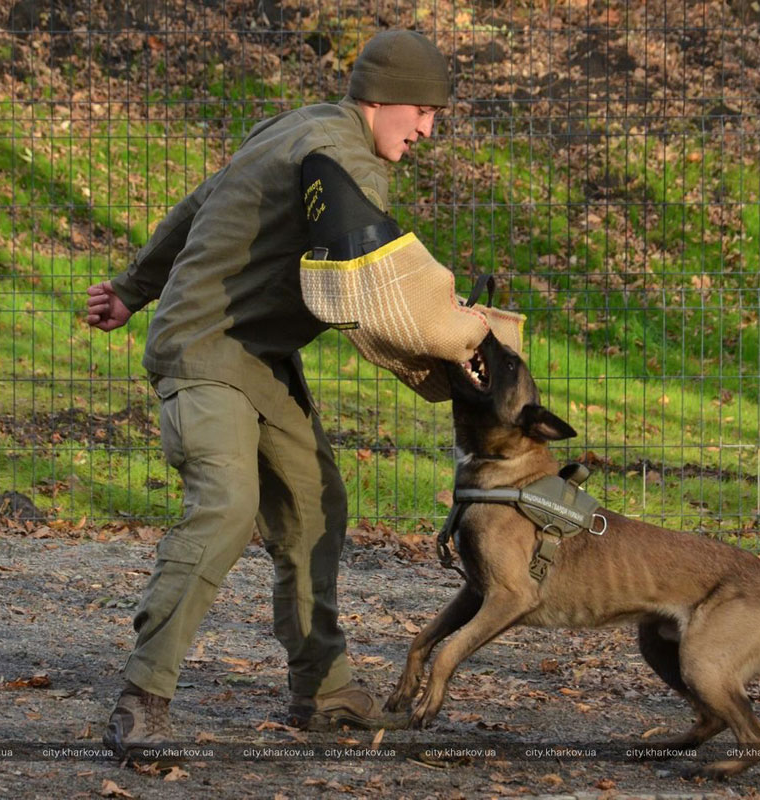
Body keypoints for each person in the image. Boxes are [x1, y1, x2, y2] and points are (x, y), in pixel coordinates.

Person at [85, 30, 477, 758]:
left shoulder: (298, 125)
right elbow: (375, 288)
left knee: (313, 504)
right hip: (205, 348)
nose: (428, 128)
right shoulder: (342, 156)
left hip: (262, 356)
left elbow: (200, 197)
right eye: (422, 110)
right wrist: (456, 344)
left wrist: (133, 290)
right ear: (382, 97)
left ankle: (323, 693)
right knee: (227, 507)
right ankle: (141, 701)